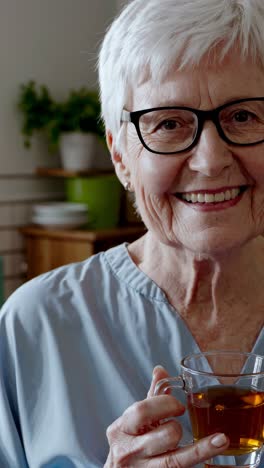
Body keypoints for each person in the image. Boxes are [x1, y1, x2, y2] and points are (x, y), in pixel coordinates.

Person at [0, 0, 264, 466]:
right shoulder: (33, 329)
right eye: (168, 123)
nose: (210, 160)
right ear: (120, 155)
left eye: (242, 116)